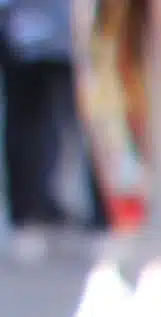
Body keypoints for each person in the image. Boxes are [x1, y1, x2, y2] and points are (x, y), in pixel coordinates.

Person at [0, 0, 102, 256]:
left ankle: (104, 212)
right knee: (29, 119)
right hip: (24, 24)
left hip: (75, 25)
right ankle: (30, 212)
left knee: (88, 118)